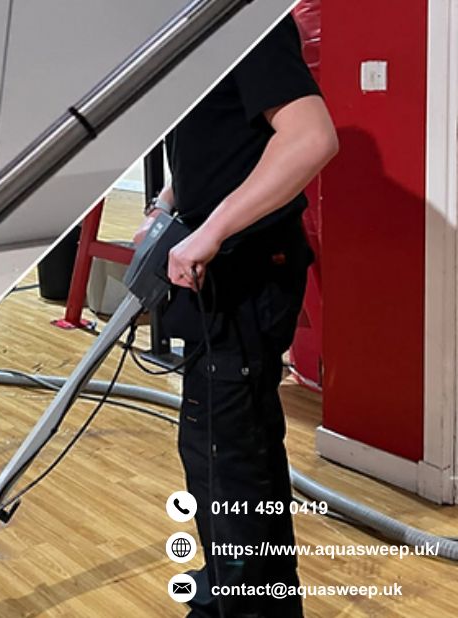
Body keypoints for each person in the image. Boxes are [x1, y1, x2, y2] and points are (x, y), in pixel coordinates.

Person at [134, 15, 337, 617]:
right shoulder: (201, 32)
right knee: (240, 449)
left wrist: (213, 231)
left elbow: (311, 138)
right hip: (220, 276)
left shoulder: (249, 24)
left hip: (246, 277)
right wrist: (165, 205)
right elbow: (221, 143)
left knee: (225, 461)